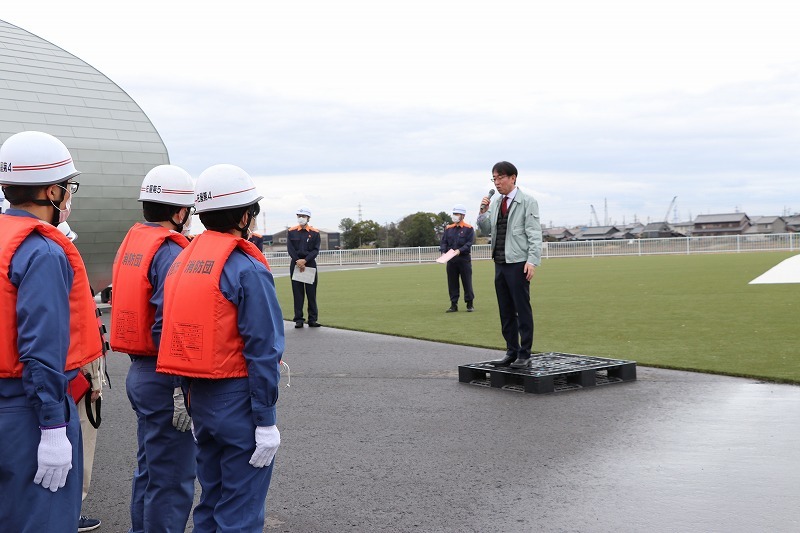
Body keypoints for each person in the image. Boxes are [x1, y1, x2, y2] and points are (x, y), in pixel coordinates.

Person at [157, 164, 283, 533]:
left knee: (211, 502)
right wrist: (266, 419)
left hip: (200, 397)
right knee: (241, 511)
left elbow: (170, 329)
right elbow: (263, 349)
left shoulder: (182, 260)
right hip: (237, 398)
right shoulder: (245, 267)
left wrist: (183, 392)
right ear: (245, 216)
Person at [0, 131, 103, 532]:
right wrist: (53, 426)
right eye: (67, 188)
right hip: (26, 408)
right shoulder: (42, 250)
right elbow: (41, 348)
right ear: (50, 191)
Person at [109, 165, 197, 533]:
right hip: (164, 376)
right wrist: (180, 386)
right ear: (179, 212)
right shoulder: (170, 252)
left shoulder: (136, 241)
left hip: (140, 370)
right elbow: (167, 325)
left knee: (150, 471)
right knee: (172, 479)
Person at [58, 222, 107, 533]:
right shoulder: (63, 270)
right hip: (76, 373)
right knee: (79, 443)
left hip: (68, 371)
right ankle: (70, 512)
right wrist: (93, 379)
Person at [476, 161, 542, 369]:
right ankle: (511, 351)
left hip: (518, 262)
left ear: (513, 178)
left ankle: (525, 353)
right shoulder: (496, 203)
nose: (497, 182)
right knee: (505, 310)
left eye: (500, 177)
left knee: (521, 309)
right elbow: (487, 229)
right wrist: (482, 212)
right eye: (494, 178)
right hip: (500, 261)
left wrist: (532, 261)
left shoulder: (528, 202)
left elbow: (534, 233)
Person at [287, 206, 321, 328]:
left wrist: (305, 260)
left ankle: (312, 319)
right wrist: (298, 261)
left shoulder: (315, 232)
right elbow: (290, 249)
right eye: (299, 216)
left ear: (308, 218)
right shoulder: (291, 231)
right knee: (298, 293)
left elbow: (316, 250)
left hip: (310, 264)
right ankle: (299, 319)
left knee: (311, 293)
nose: (301, 218)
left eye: (303, 216)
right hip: (296, 264)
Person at [440, 204, 476, 313]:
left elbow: (469, 243)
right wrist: (443, 252)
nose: (454, 216)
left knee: (467, 282)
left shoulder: (469, 228)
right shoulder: (448, 228)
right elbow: (444, 242)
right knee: (452, 283)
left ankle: (469, 304)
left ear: (462, 216)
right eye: (454, 214)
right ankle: (453, 304)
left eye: (457, 214)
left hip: (464, 259)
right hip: (451, 260)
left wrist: (460, 250)